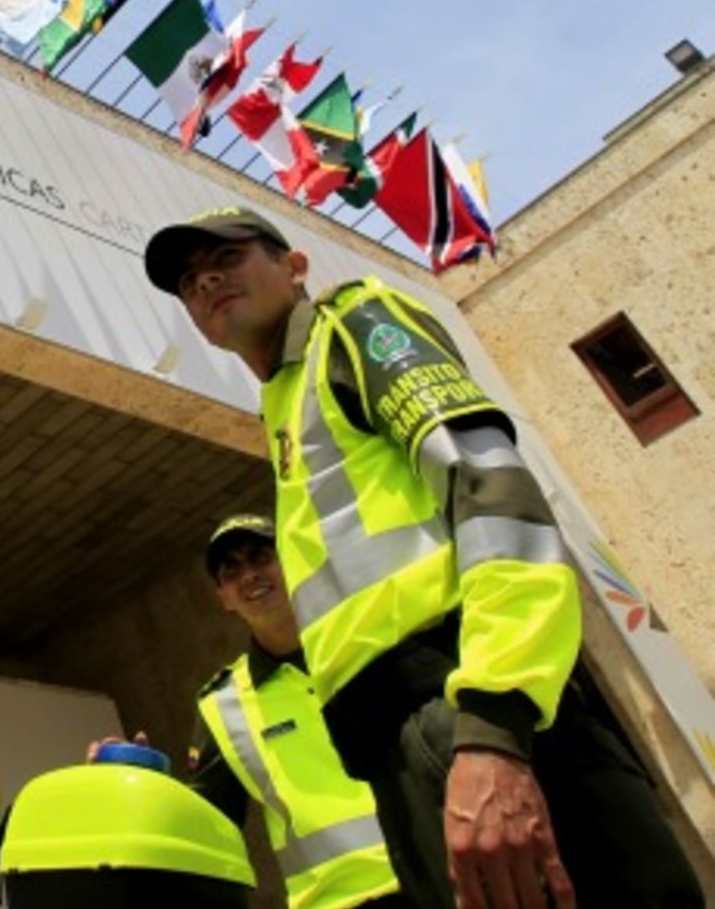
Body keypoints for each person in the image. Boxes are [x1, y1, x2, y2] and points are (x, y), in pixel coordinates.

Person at [143, 206, 702, 909]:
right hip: (408, 752)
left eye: (228, 256)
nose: (206, 280)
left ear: (294, 266)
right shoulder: (286, 404)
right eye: (188, 279)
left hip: (466, 714)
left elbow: (494, 493)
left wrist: (493, 730)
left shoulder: (354, 324)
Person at [190, 513, 410, 909]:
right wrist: (135, 784)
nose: (249, 575)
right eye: (231, 570)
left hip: (446, 874)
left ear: (292, 558)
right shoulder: (221, 706)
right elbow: (204, 831)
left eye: (260, 557)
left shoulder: (368, 640)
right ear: (223, 597)